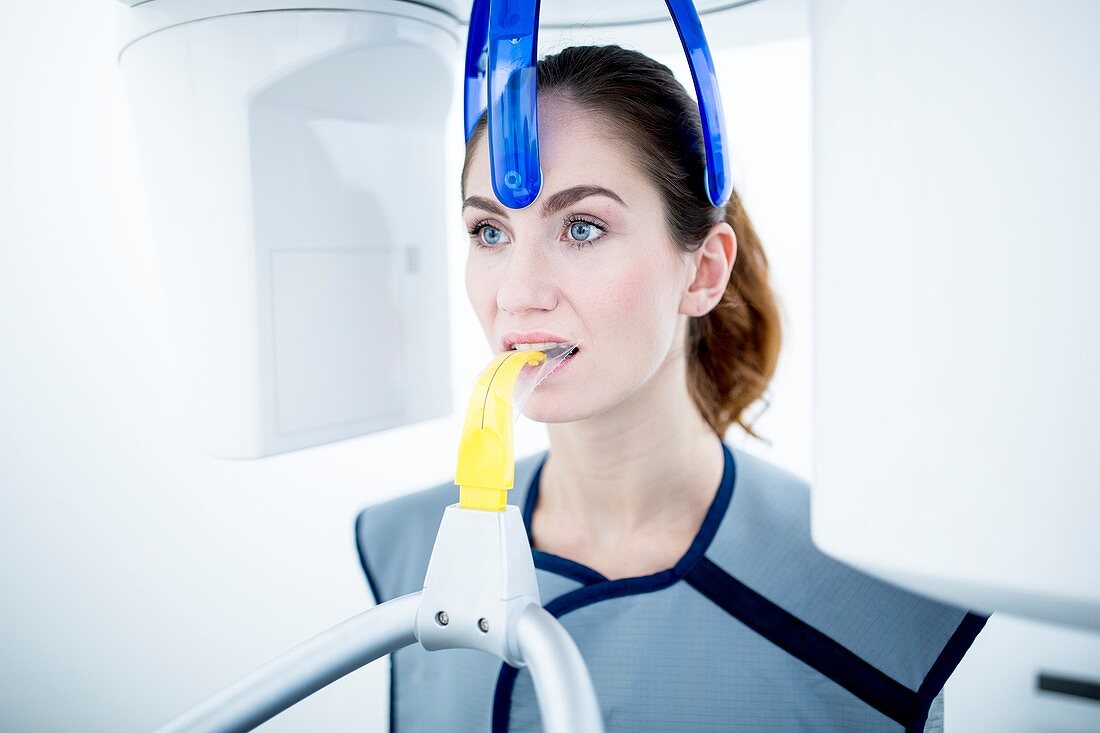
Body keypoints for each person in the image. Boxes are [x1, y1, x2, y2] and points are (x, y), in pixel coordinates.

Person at [355, 45, 986, 732]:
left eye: (583, 227)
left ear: (703, 271)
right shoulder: (410, 551)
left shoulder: (873, 596)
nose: (516, 292)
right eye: (490, 231)